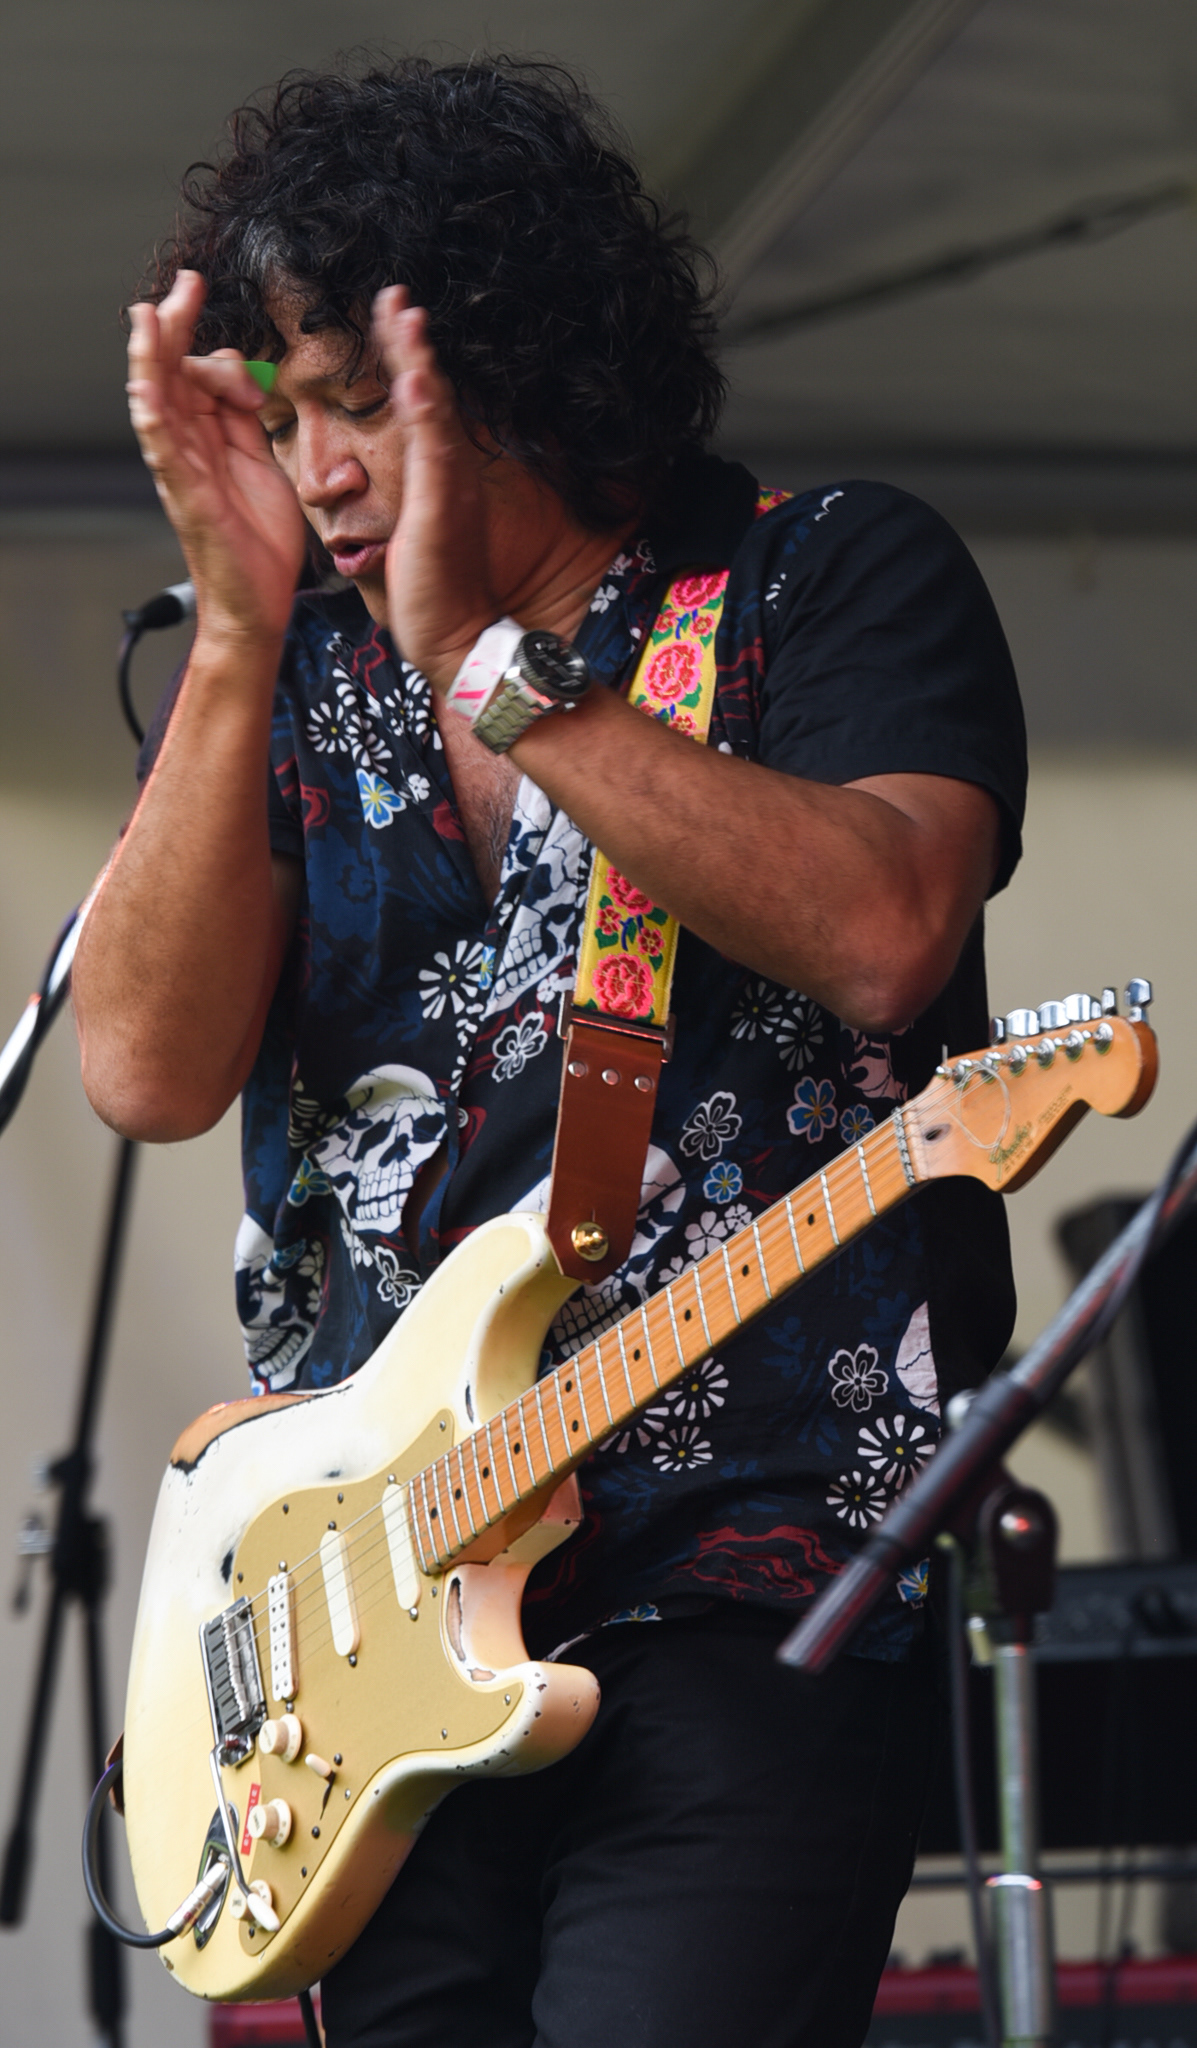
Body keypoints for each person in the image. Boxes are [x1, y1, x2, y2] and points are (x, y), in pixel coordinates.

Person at [72, 57, 1026, 2048]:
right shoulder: (293, 677)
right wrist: (236, 641)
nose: (319, 470)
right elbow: (146, 1071)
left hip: (749, 1572)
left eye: (357, 401)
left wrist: (492, 674)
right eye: (283, 415)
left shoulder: (818, 576)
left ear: (523, 367)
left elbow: (881, 934)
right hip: (378, 1620)